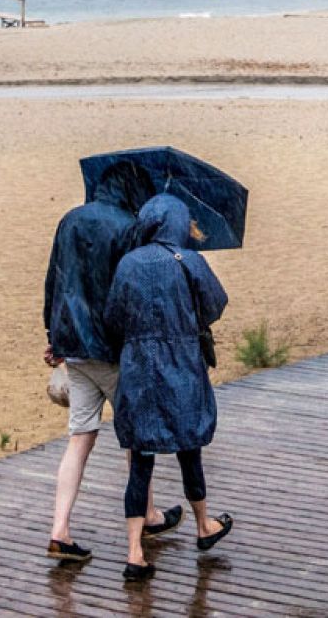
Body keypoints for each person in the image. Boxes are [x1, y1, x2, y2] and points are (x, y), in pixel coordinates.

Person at [42, 161, 178, 562]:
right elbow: (131, 290)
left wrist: (53, 337)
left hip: (75, 348)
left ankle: (60, 529)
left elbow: (54, 280)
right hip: (114, 351)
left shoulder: (70, 220)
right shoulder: (127, 227)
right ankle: (148, 517)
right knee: (137, 437)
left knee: (80, 438)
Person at [100, 194, 234, 582]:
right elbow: (215, 306)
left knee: (141, 459)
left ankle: (134, 551)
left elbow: (113, 316)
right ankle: (204, 524)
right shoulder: (189, 260)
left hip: (139, 367)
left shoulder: (128, 263)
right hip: (182, 365)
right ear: (176, 223)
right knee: (189, 448)